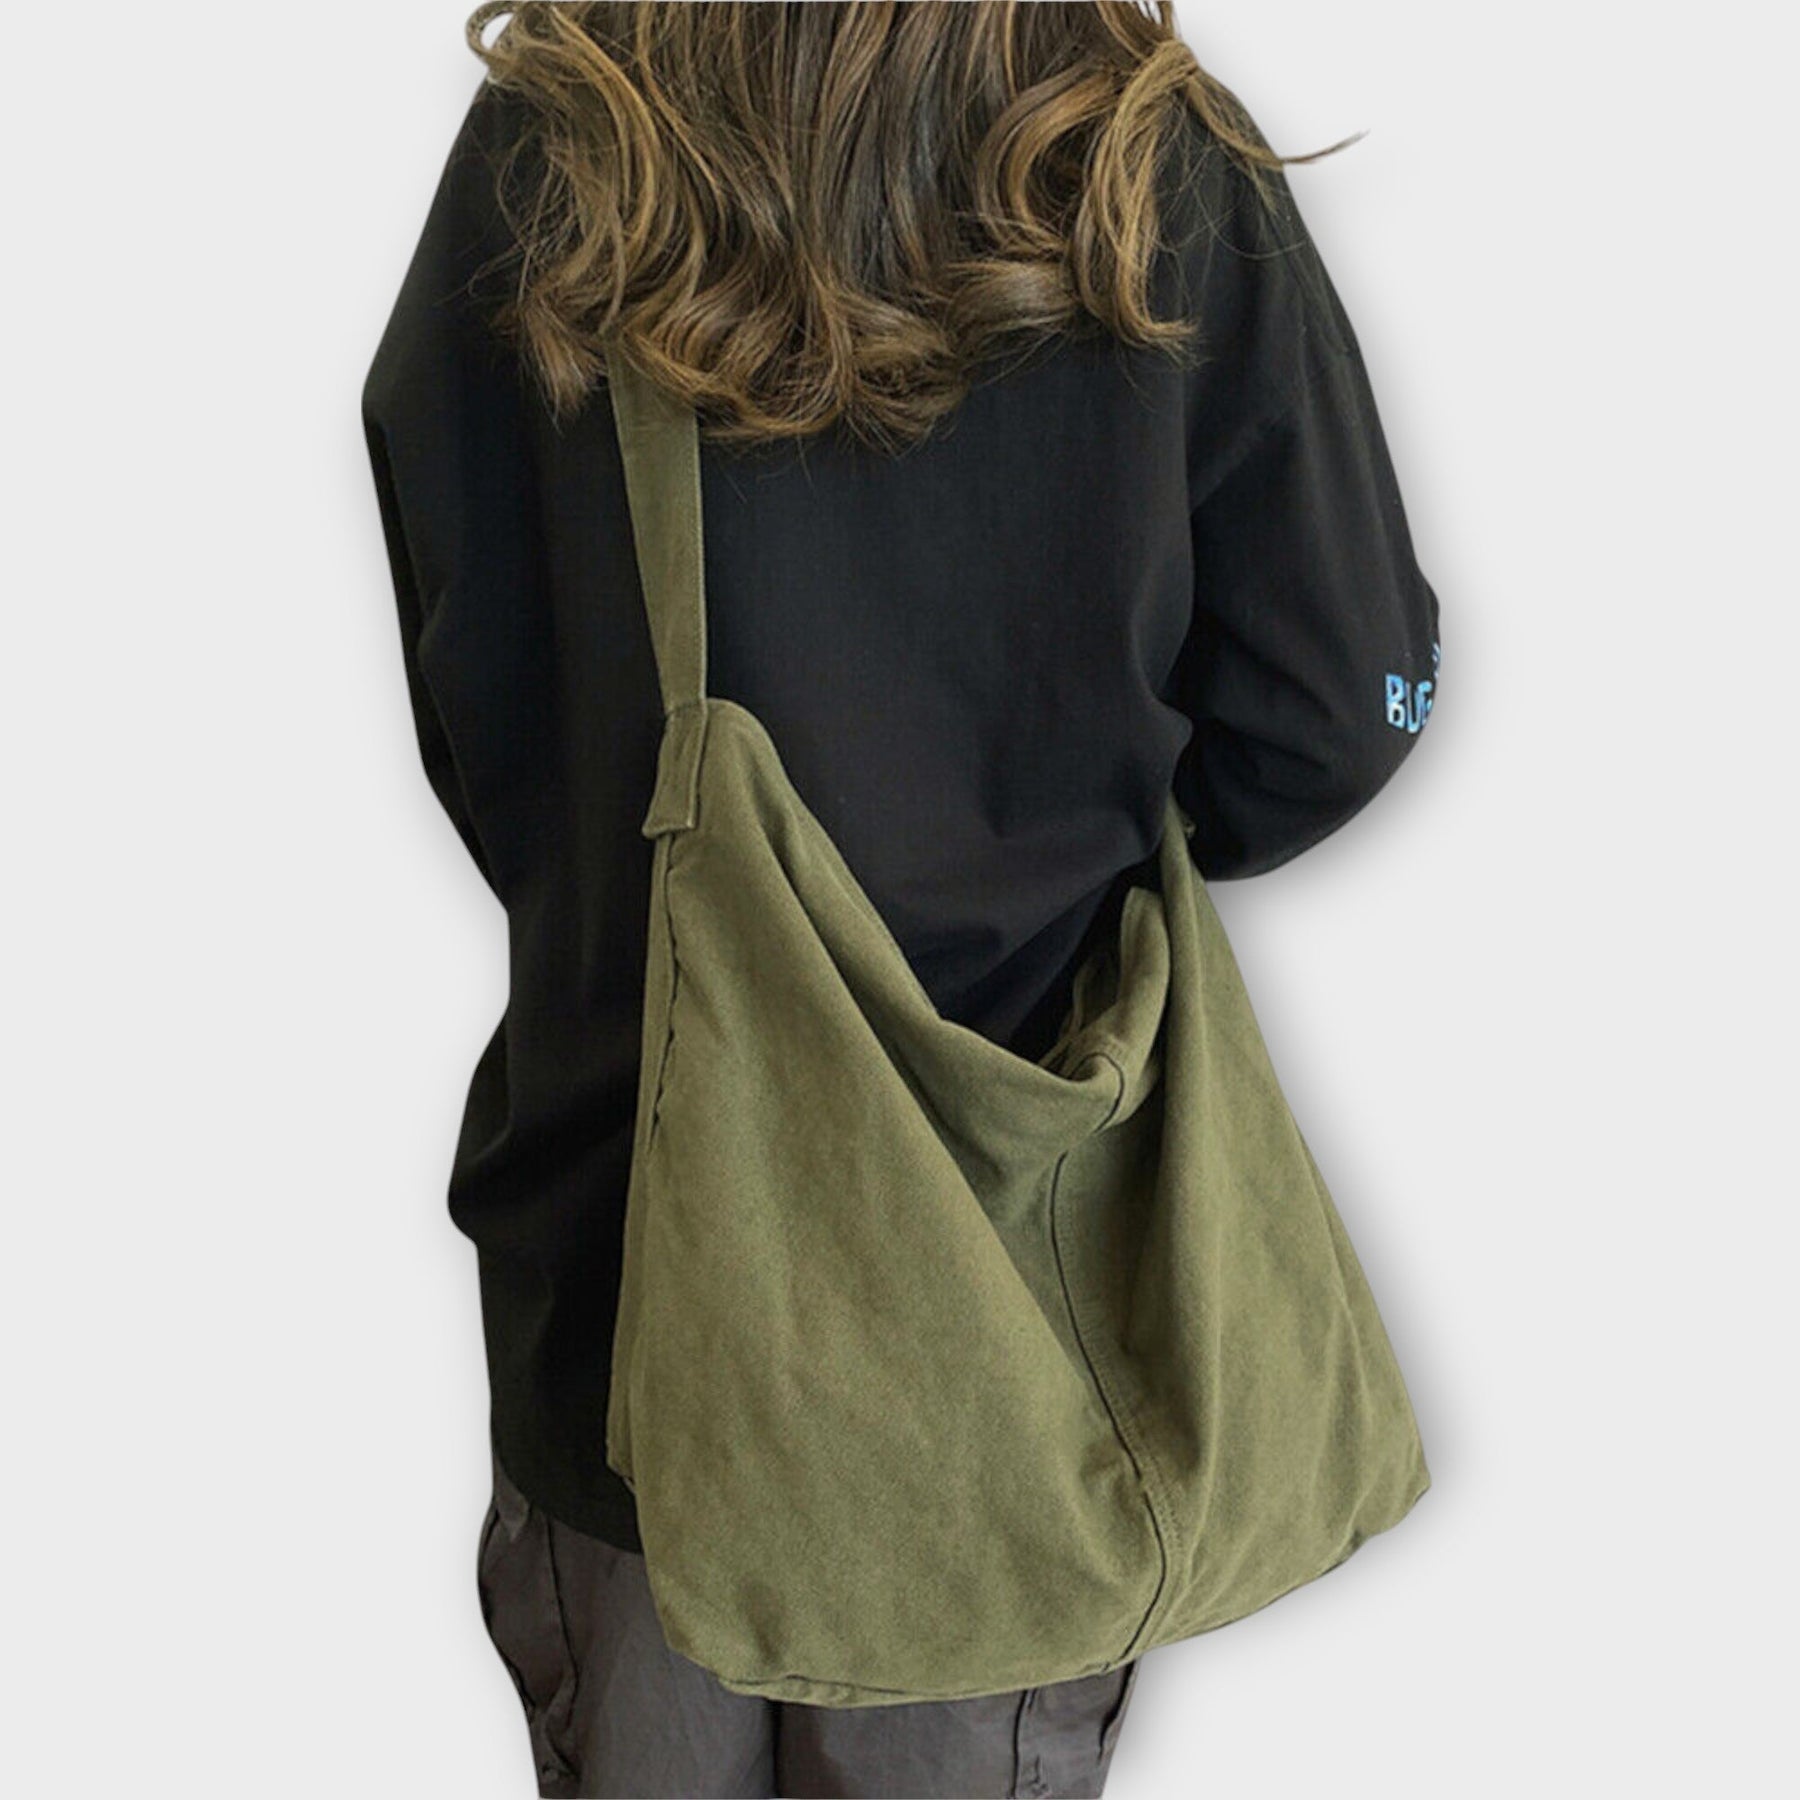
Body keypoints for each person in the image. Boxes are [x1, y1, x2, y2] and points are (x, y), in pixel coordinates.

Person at [360, 4, 1442, 1795]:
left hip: (623, 1280)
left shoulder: (564, 138)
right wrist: (1070, 853)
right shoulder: (1138, 158)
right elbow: (1341, 707)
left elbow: (477, 690)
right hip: (1008, 1326)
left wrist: (642, 902)